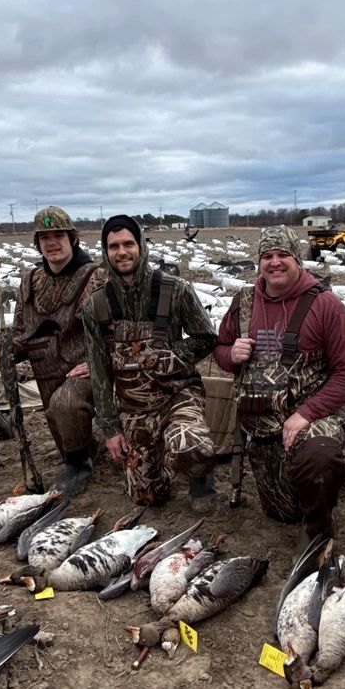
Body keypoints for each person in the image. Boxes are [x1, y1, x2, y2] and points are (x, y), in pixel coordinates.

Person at [213, 226, 345, 538]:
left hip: (310, 418)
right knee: (283, 513)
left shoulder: (326, 306)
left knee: (318, 458)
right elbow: (219, 350)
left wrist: (307, 413)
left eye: (283, 254)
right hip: (262, 428)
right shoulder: (243, 302)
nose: (275, 262)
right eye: (267, 256)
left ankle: (319, 533)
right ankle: (344, 458)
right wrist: (231, 354)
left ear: (298, 260)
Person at [81, 214, 218, 512]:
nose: (122, 252)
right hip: (133, 409)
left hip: (176, 397)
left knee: (190, 444)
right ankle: (164, 462)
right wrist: (110, 429)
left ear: (140, 246)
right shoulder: (96, 305)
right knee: (147, 498)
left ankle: (199, 472)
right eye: (114, 246)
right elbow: (100, 370)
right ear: (105, 252)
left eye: (128, 243)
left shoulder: (175, 289)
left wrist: (169, 355)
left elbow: (206, 337)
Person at [4, 207, 104, 495]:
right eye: (44, 237)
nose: (51, 242)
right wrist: (10, 351)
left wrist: (96, 362)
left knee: (65, 404)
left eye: (58, 235)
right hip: (45, 369)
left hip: (85, 370)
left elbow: (114, 330)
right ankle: (85, 448)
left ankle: (80, 465)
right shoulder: (30, 281)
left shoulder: (95, 278)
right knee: (60, 421)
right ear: (37, 243)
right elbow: (21, 330)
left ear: (72, 238)